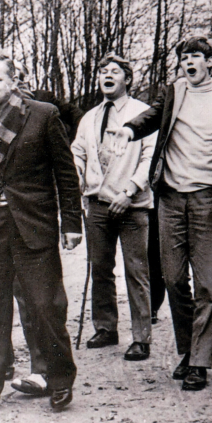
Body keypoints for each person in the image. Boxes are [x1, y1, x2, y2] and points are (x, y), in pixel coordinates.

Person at [114, 35, 212, 391]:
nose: (189, 63)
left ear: (209, 62)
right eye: (184, 57)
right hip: (170, 199)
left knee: (206, 283)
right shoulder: (175, 93)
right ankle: (188, 351)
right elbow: (151, 117)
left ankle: (199, 362)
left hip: (207, 201)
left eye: (196, 57)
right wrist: (129, 129)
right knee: (173, 280)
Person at [0, 54, 82, 414]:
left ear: (13, 81)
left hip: (34, 224)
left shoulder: (43, 115)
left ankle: (58, 381)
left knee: (45, 305)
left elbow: (65, 174)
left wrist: (71, 222)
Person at [70, 55, 156, 360]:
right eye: (103, 71)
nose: (107, 76)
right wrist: (77, 176)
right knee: (100, 268)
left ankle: (141, 337)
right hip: (97, 204)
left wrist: (130, 191)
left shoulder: (143, 113)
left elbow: (150, 158)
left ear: (127, 79)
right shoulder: (90, 116)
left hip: (132, 206)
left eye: (114, 72)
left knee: (136, 270)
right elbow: (78, 152)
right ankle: (106, 328)